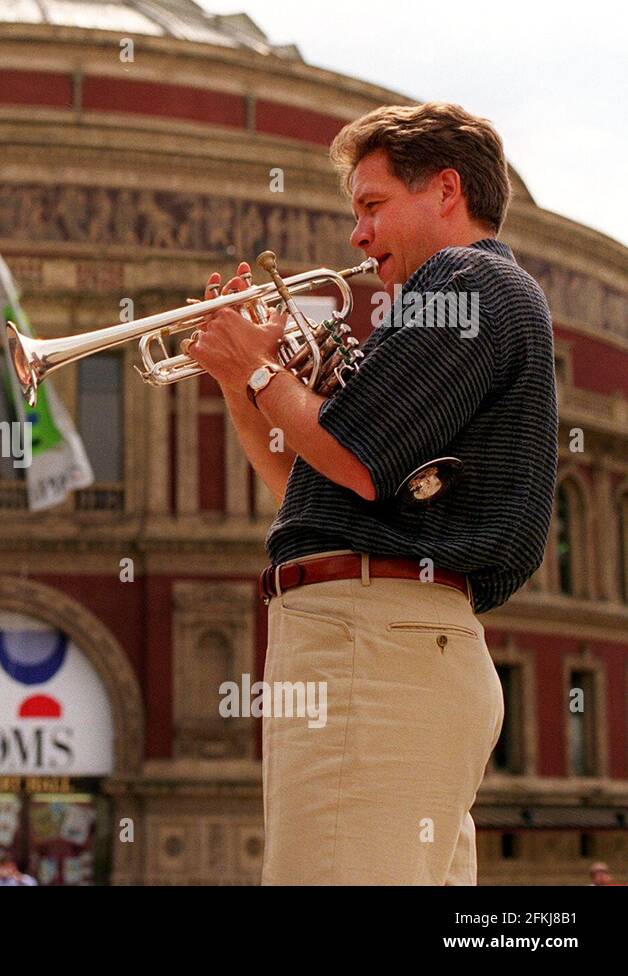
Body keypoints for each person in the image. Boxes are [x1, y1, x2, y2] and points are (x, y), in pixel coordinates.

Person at [186, 102, 556, 884]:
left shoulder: (467, 280)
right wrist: (236, 379)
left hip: (374, 651)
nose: (357, 235)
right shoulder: (461, 298)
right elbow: (306, 481)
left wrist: (266, 369)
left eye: (373, 206)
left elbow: (355, 453)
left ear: (446, 190)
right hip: (400, 648)